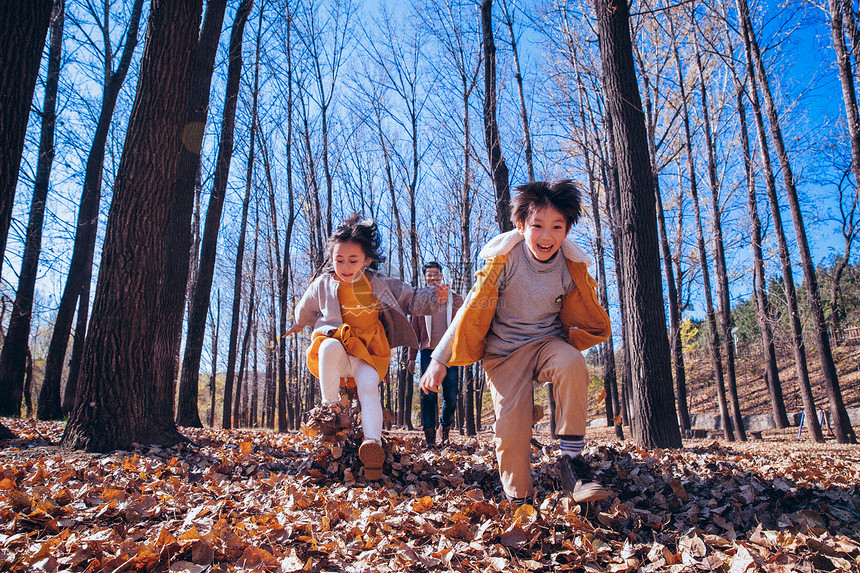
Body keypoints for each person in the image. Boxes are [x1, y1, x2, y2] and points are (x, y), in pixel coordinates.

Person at [420, 180, 612, 505]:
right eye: (537, 225)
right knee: (512, 430)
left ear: (567, 230)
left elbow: (582, 309)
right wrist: (439, 359)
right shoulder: (504, 262)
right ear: (521, 225)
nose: (546, 236)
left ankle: (571, 462)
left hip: (546, 344)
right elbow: (469, 309)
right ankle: (518, 499)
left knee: (572, 363)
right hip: (504, 354)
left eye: (557, 227)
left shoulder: (570, 268)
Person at [287, 213, 449, 480]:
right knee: (327, 348)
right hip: (339, 346)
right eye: (339, 260)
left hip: (370, 352)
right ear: (332, 260)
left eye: (353, 260)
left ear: (367, 260)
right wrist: (298, 323)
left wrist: (436, 297)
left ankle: (372, 445)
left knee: (368, 387)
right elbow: (306, 307)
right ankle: (332, 416)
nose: (345, 266)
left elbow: (411, 297)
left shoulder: (378, 283)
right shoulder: (324, 284)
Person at [408, 262, 464, 446]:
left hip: (450, 353)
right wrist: (410, 358)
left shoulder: (455, 299)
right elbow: (414, 333)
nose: (432, 278)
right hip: (428, 353)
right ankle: (429, 436)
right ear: (425, 278)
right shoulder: (420, 302)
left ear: (441, 276)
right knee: (428, 394)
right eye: (429, 275)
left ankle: (444, 427)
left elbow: (465, 327)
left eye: (436, 274)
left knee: (451, 396)